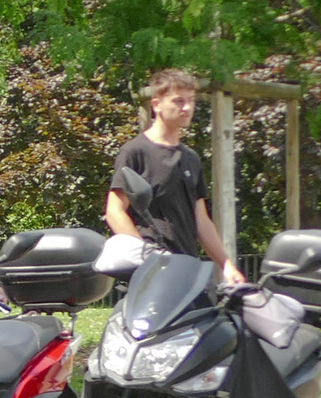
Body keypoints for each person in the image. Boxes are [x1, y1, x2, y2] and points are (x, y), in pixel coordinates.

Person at [105, 67, 245, 283]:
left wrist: (227, 265)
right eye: (179, 101)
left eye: (191, 100)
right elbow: (115, 212)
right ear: (156, 105)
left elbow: (201, 220)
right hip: (151, 273)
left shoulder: (191, 158)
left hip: (186, 267)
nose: (187, 107)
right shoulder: (135, 151)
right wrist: (145, 259)